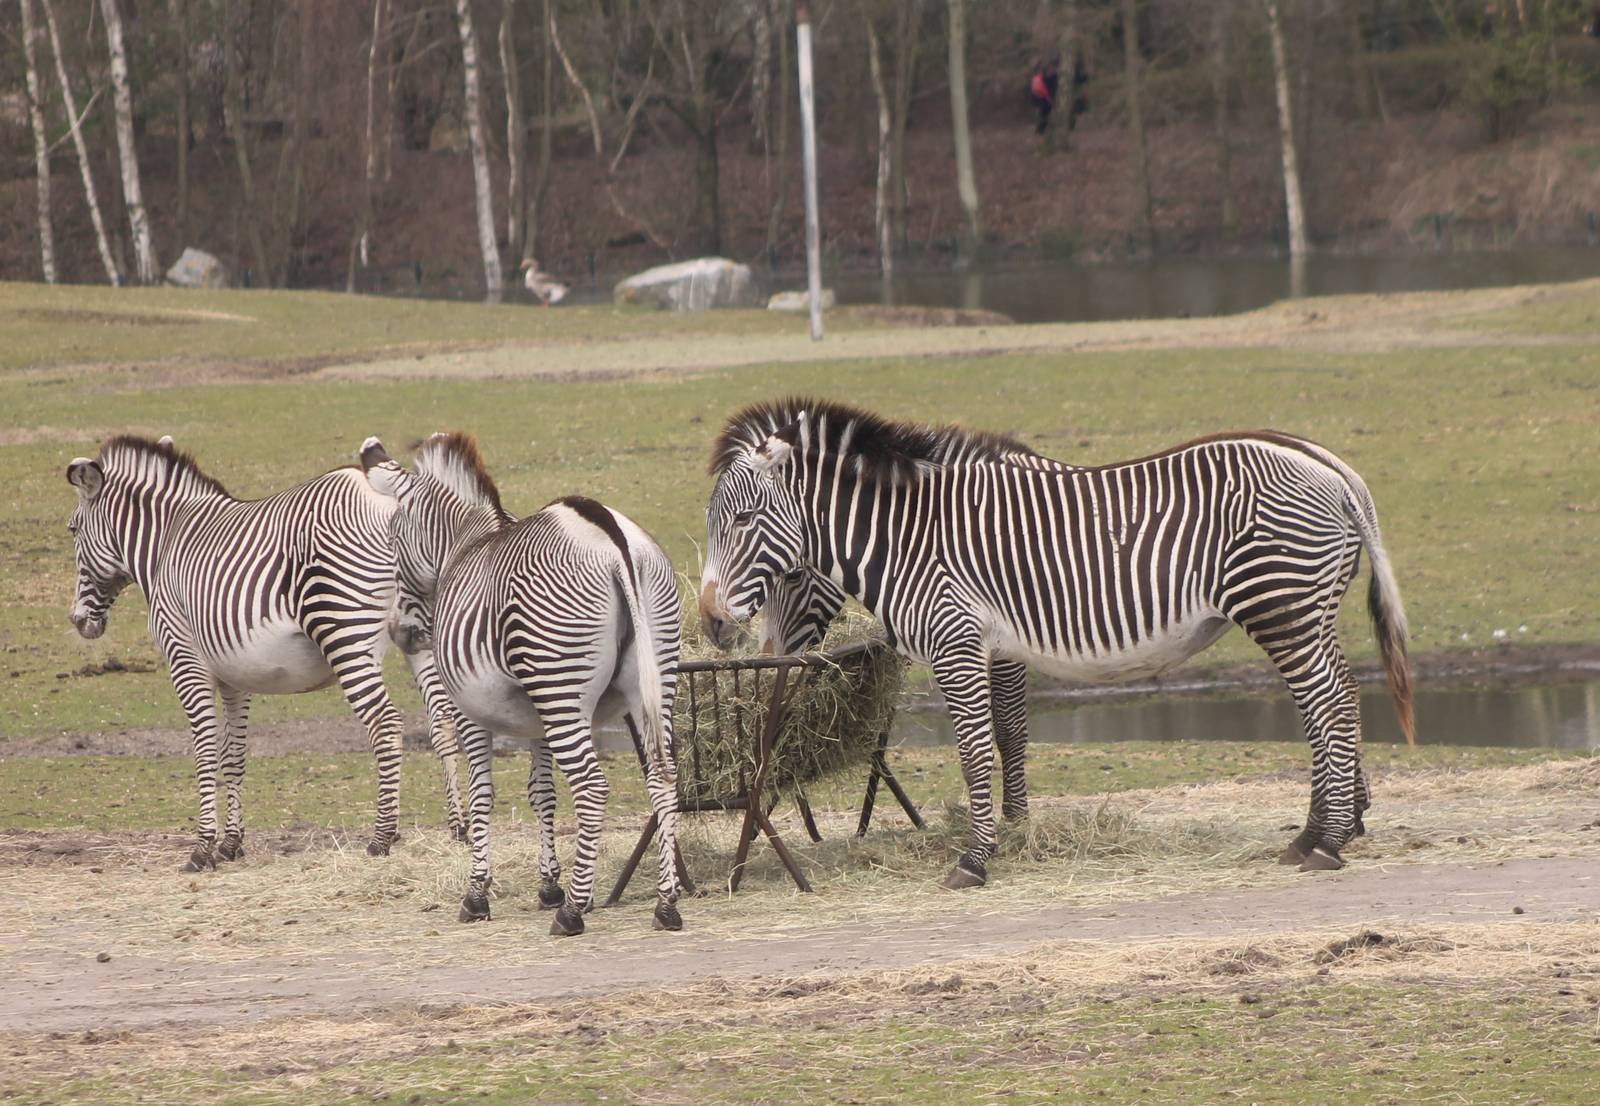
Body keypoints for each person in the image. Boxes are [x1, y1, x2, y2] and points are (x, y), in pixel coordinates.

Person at [1029, 52, 1061, 135]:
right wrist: (1051, 99)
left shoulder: (1042, 73)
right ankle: (1040, 131)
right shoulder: (1051, 77)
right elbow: (1050, 89)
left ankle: (1040, 130)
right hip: (1044, 98)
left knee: (1043, 114)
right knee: (1045, 114)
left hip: (1039, 97)